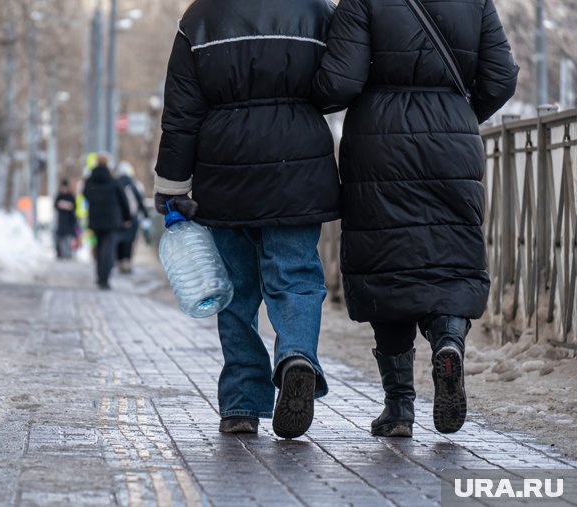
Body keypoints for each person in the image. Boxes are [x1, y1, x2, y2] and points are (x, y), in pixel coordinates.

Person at [312, 0, 519, 436]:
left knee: (387, 264)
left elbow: (340, 81)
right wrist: (455, 114)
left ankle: (399, 410)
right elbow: (502, 75)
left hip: (378, 143)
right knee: (450, 254)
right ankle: (447, 340)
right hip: (452, 142)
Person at [153, 0, 340, 438]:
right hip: (298, 166)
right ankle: (296, 356)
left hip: (225, 170)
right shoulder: (317, 10)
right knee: (294, 275)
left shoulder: (200, 17)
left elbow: (181, 112)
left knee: (236, 293)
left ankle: (241, 403)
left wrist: (172, 186)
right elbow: (342, 81)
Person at [84, 154, 132, 290]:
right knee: (108, 249)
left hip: (95, 219)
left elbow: (86, 194)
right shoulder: (113, 180)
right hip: (112, 220)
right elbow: (124, 201)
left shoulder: (90, 181)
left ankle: (99, 277)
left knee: (99, 248)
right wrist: (127, 218)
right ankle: (105, 279)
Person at [115, 161, 150, 274]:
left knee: (119, 241)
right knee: (129, 241)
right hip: (132, 218)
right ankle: (127, 261)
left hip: (118, 219)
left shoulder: (115, 183)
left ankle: (119, 261)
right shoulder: (133, 184)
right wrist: (145, 216)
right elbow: (140, 202)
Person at [54, 179, 78, 259]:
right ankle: (62, 253)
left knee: (68, 238)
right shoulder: (59, 196)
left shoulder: (71, 196)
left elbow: (74, 206)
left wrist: (67, 205)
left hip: (69, 221)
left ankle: (68, 253)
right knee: (61, 238)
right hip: (61, 221)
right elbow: (55, 205)